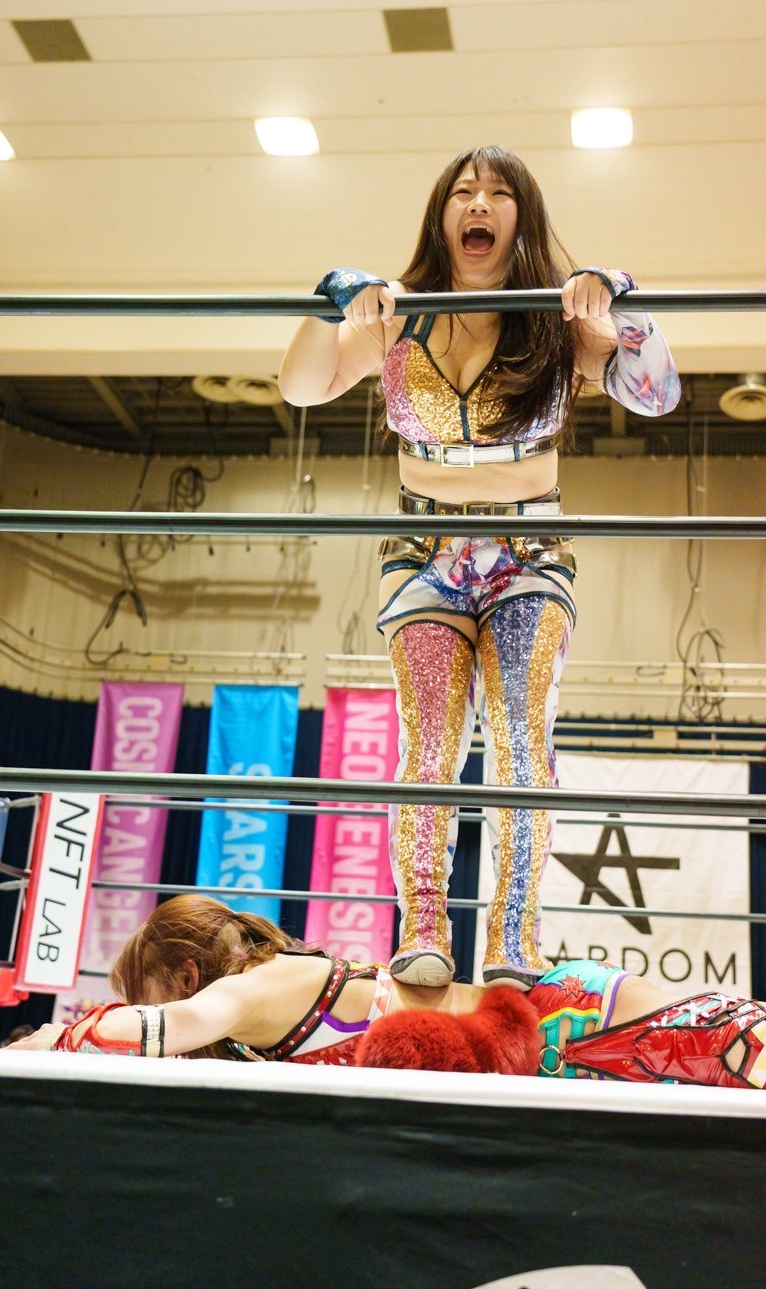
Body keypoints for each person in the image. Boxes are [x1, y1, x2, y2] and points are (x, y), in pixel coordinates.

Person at [278, 146, 681, 991]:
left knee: (520, 745)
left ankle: (512, 940)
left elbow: (654, 395)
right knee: (427, 745)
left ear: (520, 217)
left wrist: (619, 303)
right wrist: (330, 298)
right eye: (463, 191)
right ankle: (422, 930)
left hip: (526, 554)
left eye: (498, 193)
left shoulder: (553, 315)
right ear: (442, 216)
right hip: (422, 553)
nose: (479, 204)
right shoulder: (397, 312)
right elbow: (304, 388)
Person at [5, 896, 766, 1096]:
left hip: (562, 1029)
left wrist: (56, 1038)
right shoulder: (272, 1005)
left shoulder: (262, 989)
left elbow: (173, 1028)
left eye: (145, 995)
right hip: (554, 1031)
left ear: (184, 976)